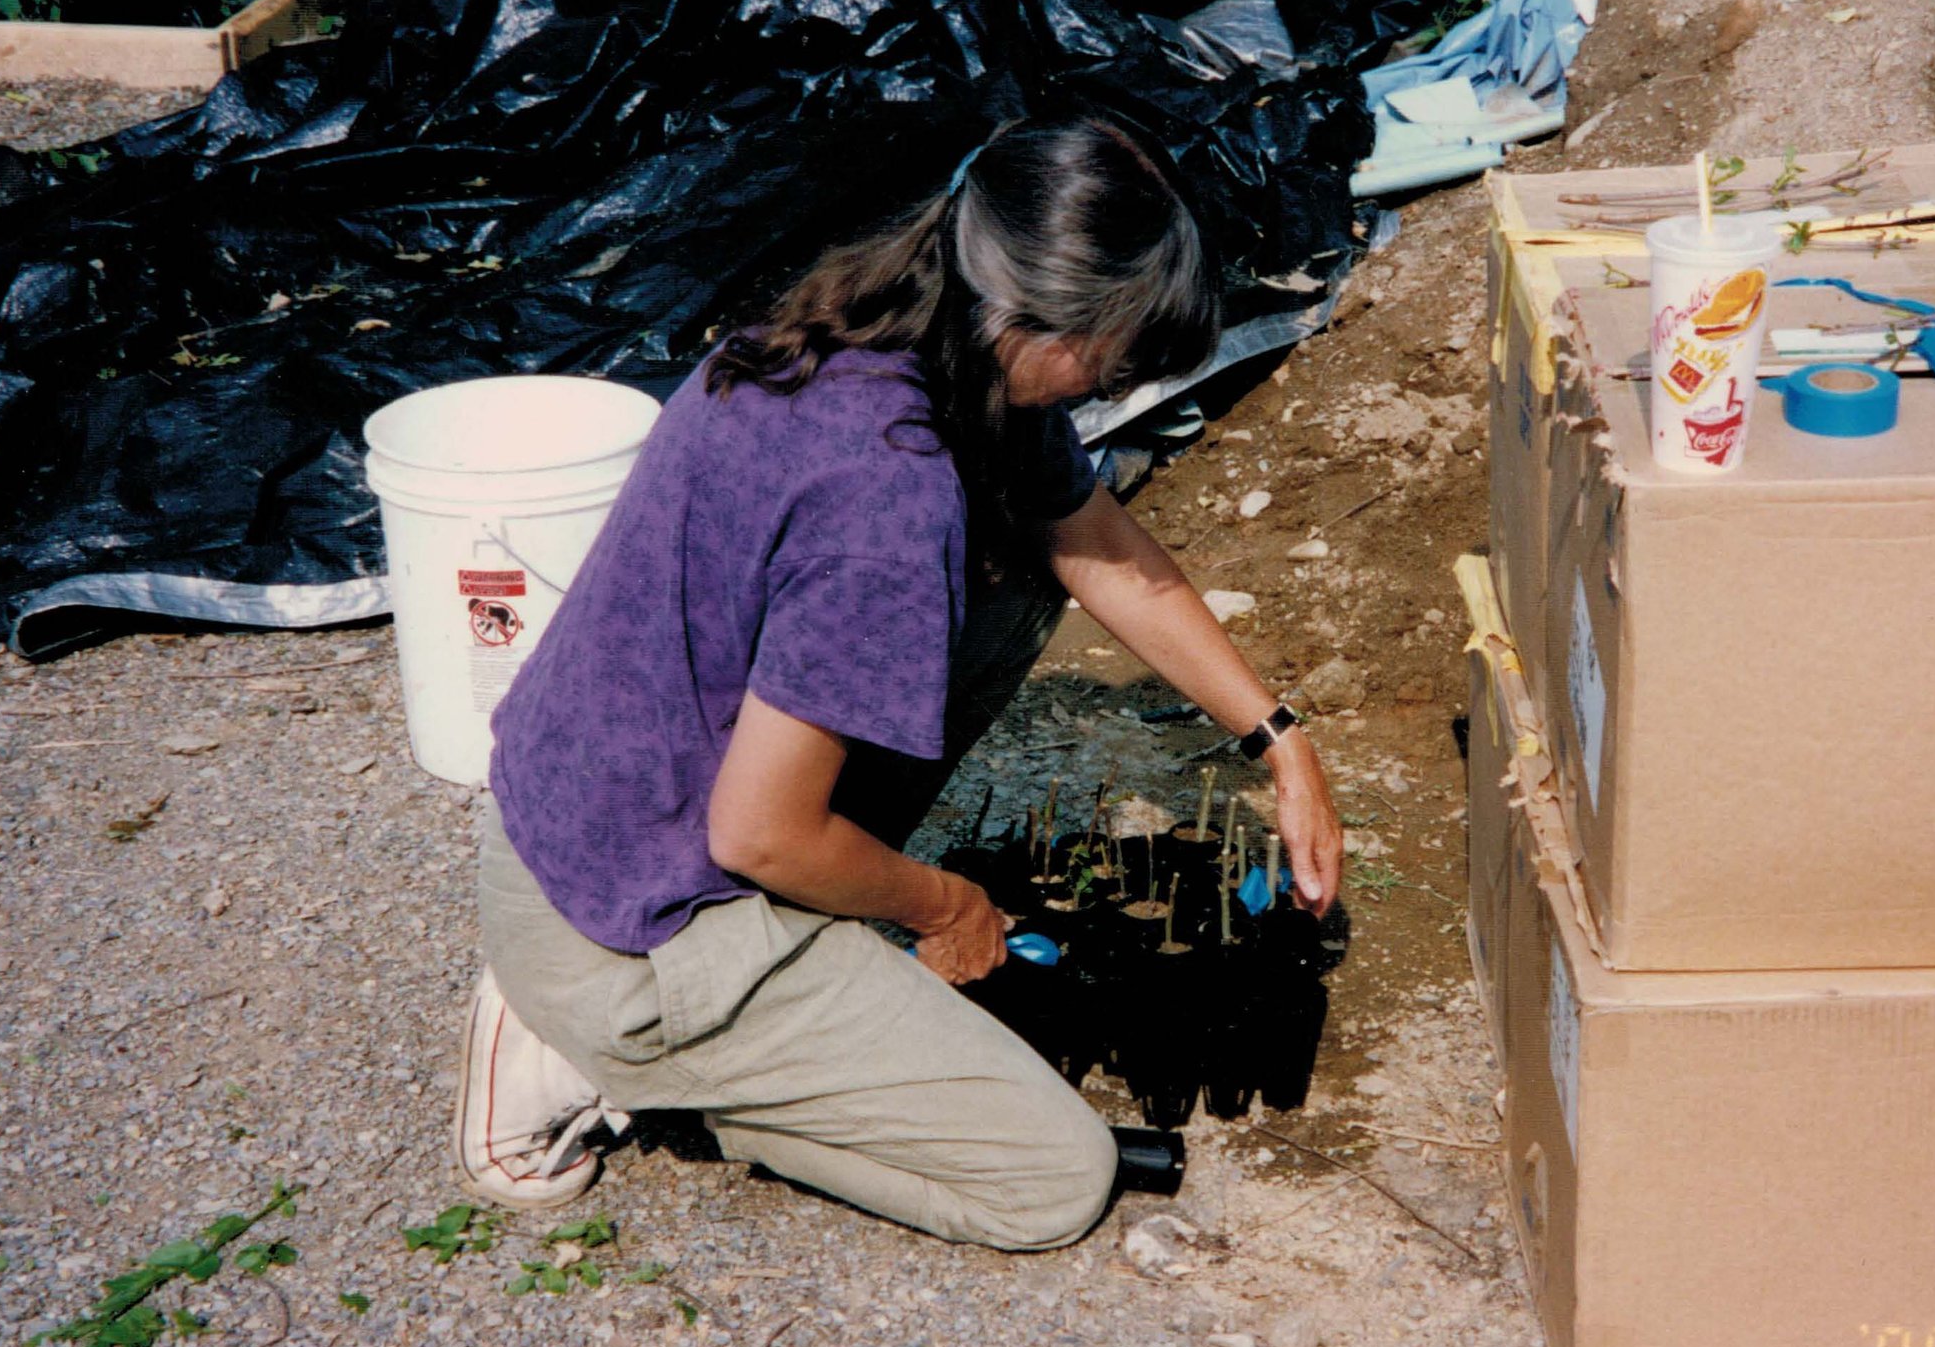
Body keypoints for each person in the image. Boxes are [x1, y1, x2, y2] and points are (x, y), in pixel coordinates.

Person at [455, 114, 1344, 1252]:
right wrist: (945, 904)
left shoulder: (880, 327)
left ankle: (775, 993)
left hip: (582, 815)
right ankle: (585, 1054)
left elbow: (1095, 544)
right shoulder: (889, 490)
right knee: (1052, 1179)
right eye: (1111, 357)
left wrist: (1280, 740)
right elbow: (759, 832)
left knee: (1021, 563)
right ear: (1034, 317)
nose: (1111, 381)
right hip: (633, 931)